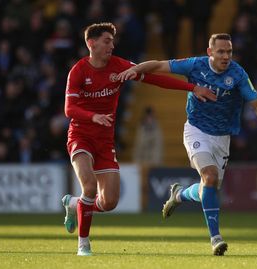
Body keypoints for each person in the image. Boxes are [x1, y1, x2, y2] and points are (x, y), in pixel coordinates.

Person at [117, 33, 257, 256]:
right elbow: (158, 65)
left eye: (229, 52)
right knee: (209, 176)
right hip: (196, 130)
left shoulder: (238, 74)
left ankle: (178, 195)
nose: (226, 56)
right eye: (221, 51)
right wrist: (136, 69)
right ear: (210, 52)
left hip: (222, 138)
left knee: (209, 187)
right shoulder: (195, 65)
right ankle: (216, 238)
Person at [61, 22, 216, 256]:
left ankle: (74, 204)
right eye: (107, 41)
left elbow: (155, 79)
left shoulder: (120, 66)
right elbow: (69, 109)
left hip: (104, 141)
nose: (112, 45)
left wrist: (192, 87)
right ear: (91, 43)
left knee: (110, 202)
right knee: (90, 187)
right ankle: (83, 244)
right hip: (81, 136)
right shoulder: (79, 71)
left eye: (113, 41)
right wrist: (93, 116)